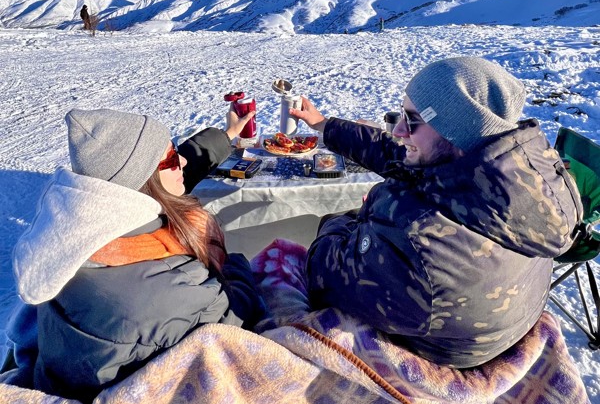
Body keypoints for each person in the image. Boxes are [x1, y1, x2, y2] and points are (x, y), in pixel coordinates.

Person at [291, 56, 583, 368]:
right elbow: (398, 154)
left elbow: (322, 272)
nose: (399, 130)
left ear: (457, 132)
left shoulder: (422, 248)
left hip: (422, 351)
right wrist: (326, 127)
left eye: (412, 119)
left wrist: (344, 220)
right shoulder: (504, 179)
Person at [4, 108, 265, 401]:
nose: (182, 160)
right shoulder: (173, 285)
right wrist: (233, 261)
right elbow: (241, 316)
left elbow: (166, 175)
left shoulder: (74, 237)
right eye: (169, 158)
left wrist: (226, 136)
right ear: (142, 181)